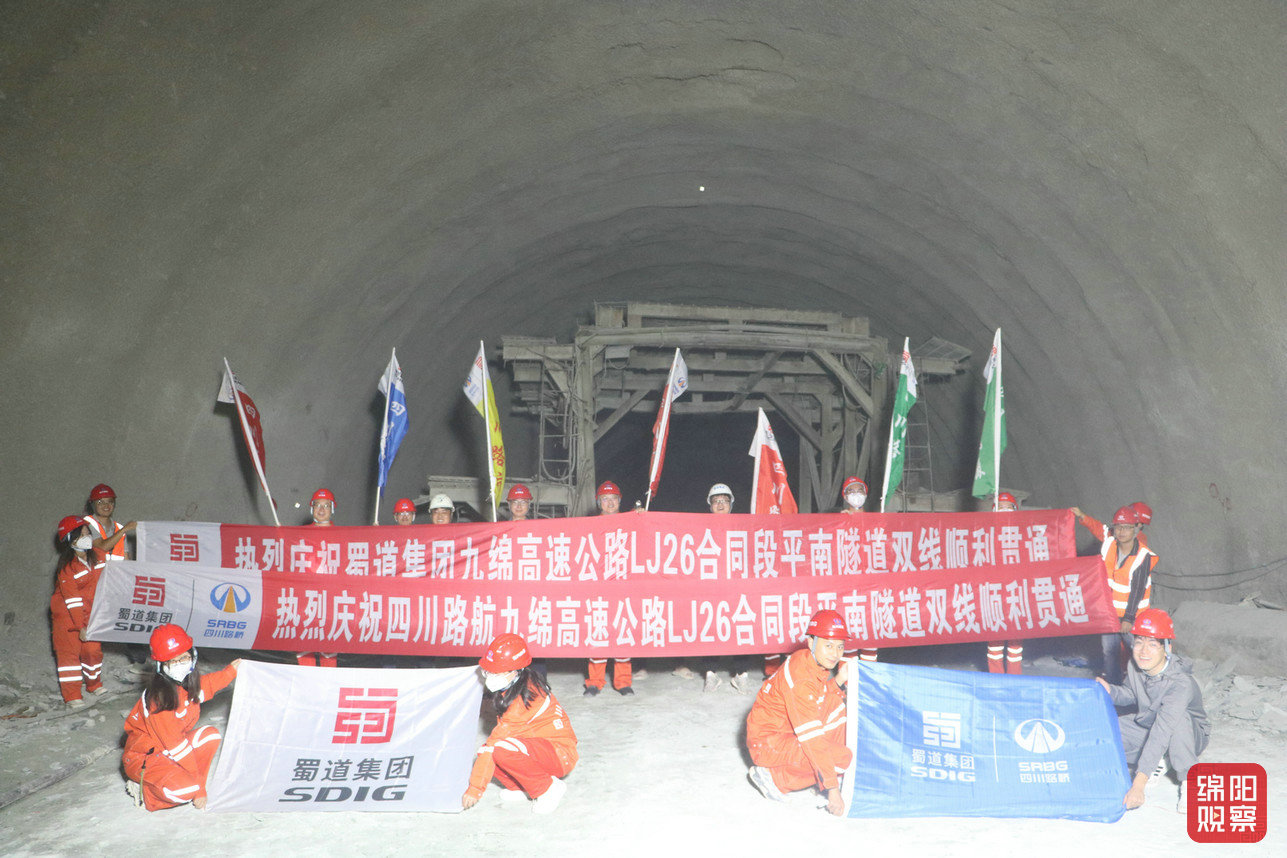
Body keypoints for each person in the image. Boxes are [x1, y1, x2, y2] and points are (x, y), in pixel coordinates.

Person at [1095, 608, 1209, 813]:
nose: (1143, 651)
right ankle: (1161, 758)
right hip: (1151, 721)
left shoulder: (1180, 683)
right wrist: (1110, 691)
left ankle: (1190, 778)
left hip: (1189, 734)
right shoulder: (1136, 665)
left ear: (1167, 648)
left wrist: (1138, 785)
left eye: (1153, 644)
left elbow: (1162, 730)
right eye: (1139, 642)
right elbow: (1131, 693)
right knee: (1110, 728)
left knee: (1177, 720)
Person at [746, 609, 853, 816]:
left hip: (784, 732)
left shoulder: (807, 660)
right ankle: (776, 779)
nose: (835, 653)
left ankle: (816, 775)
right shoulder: (802, 676)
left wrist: (839, 679)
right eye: (828, 645)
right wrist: (832, 788)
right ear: (811, 643)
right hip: (768, 743)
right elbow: (811, 736)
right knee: (842, 757)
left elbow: (819, 700)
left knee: (837, 709)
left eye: (840, 646)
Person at [122, 624, 241, 811]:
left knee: (210, 735)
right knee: (187, 790)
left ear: (192, 656)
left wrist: (231, 671)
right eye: (172, 661)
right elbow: (177, 747)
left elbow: (208, 685)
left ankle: (184, 777)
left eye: (184, 658)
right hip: (144, 758)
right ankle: (147, 792)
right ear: (161, 666)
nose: (179, 664)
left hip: (166, 749)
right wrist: (199, 790)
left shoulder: (184, 685)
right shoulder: (159, 701)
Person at [462, 633, 577, 814]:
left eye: (496, 672)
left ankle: (548, 788)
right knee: (488, 752)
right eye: (488, 671)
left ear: (515, 671)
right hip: (540, 746)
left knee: (499, 750)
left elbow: (494, 745)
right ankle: (521, 787)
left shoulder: (522, 701)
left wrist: (475, 789)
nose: (490, 677)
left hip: (560, 754)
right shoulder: (518, 685)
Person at [1072, 504, 1159, 683]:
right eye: (1118, 527)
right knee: (1110, 654)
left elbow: (1137, 589)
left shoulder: (1142, 555)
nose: (1121, 531)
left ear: (1136, 528)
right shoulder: (1110, 543)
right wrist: (1082, 516)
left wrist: (1128, 618)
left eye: (1127, 527)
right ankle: (1113, 690)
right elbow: (1099, 528)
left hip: (1133, 618)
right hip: (1109, 615)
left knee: (1138, 655)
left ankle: (1143, 689)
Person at [50, 515, 107, 707]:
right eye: (81, 535)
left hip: (90, 611)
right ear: (70, 540)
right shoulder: (67, 567)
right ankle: (72, 695)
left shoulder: (98, 555)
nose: (86, 537)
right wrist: (80, 626)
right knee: (69, 655)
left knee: (93, 650)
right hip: (67, 617)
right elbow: (72, 600)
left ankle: (93, 684)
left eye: (87, 533)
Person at [585, 480, 633, 696]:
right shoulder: (591, 525)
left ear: (620, 501)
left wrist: (642, 516)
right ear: (599, 503)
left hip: (623, 587)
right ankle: (594, 682)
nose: (610, 503)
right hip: (599, 588)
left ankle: (623, 682)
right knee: (598, 632)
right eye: (605, 499)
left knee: (622, 632)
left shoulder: (630, 522)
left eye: (614, 499)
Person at [837, 476, 879, 665]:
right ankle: (847, 678)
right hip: (849, 585)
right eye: (851, 491)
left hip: (870, 584)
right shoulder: (840, 520)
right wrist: (841, 522)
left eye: (859, 490)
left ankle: (868, 676)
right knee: (850, 630)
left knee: (870, 630)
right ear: (845, 496)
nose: (856, 495)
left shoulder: (875, 521)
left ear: (866, 494)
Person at [297, 488, 338, 668]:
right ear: (311, 508)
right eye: (317, 505)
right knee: (304, 641)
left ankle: (328, 681)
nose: (321, 510)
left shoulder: (345, 535)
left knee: (328, 643)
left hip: (331, 597)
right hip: (305, 596)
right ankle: (307, 679)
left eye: (326, 506)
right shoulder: (299, 535)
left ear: (332, 509)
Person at [985, 491, 1024, 674]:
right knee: (995, 640)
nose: (1005, 511)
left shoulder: (1023, 534)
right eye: (1001, 508)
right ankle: (996, 678)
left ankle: (1014, 677)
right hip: (994, 592)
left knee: (1016, 641)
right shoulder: (986, 535)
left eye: (1009, 508)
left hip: (1017, 592)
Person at [83, 483, 136, 561]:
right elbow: (102, 547)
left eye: (110, 502)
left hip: (115, 569)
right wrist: (124, 530)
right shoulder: (86, 524)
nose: (106, 506)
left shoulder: (119, 528)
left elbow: (126, 557)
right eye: (100, 502)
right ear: (92, 504)